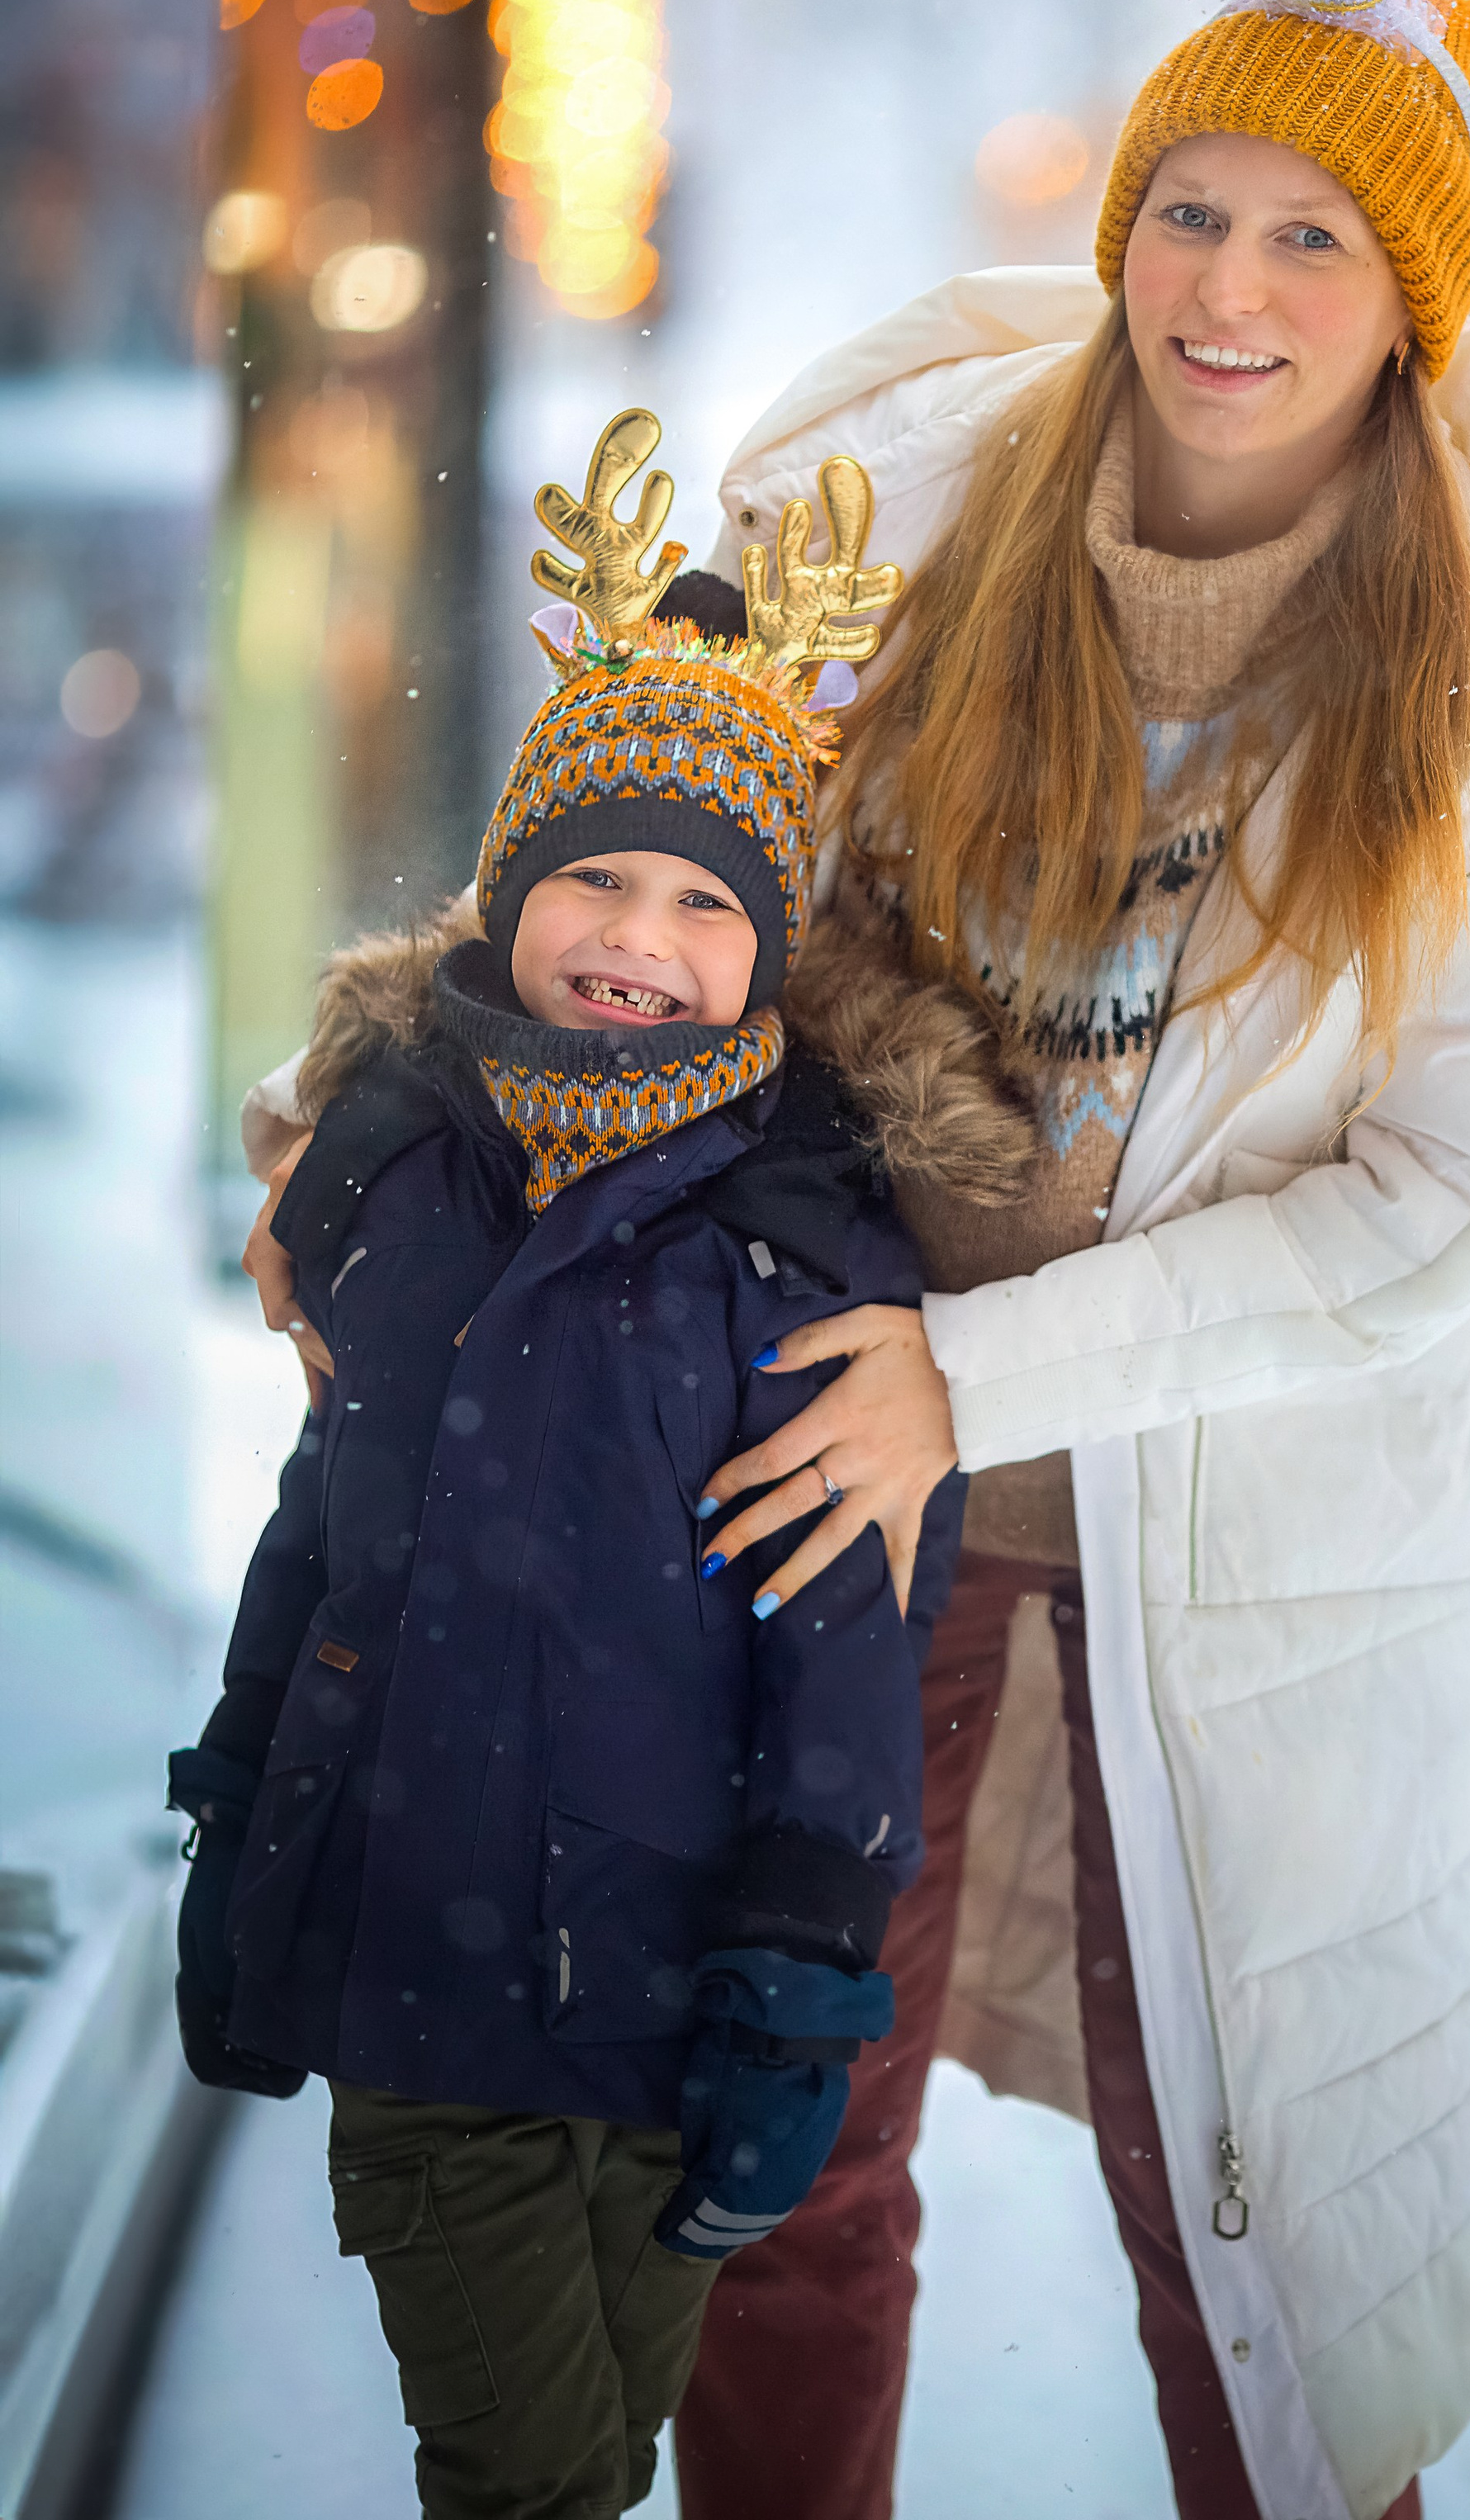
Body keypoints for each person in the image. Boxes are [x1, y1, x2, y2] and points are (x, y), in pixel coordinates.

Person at [663, 0, 1470, 2520]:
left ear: (1412, 302)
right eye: (1191, 210)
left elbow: (1449, 1196)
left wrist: (984, 1373)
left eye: (1316, 240)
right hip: (835, 1500)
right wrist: (382, 1108)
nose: (1230, 287)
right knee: (776, 2181)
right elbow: (636, 891)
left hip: (1253, 1557)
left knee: (1245, 2233)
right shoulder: (906, 535)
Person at [175, 424, 1006, 2520]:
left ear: (765, 950)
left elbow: (841, 1648)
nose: (637, 932)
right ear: (513, 888)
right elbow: (325, 1520)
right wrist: (237, 1802)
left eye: (700, 899)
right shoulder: (394, 1170)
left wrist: (808, 1974)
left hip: (664, 1999)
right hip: (424, 1984)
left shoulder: (800, 1245)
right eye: (593, 877)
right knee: (528, 2476)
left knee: (611, 2451)